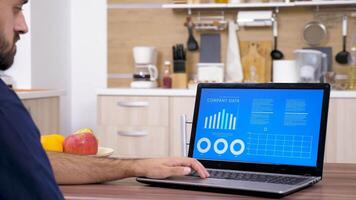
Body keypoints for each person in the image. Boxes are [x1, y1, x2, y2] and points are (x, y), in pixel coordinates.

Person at [0, 0, 209, 199]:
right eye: (16, 8)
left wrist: (138, 166)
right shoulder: (5, 108)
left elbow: (40, 163)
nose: (24, 26)